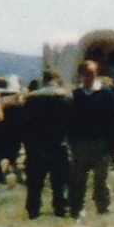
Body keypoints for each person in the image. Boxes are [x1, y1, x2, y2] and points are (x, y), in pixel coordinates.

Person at [68, 60, 114, 219]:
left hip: (101, 144)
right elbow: (70, 121)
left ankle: (103, 209)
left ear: (96, 74)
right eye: (85, 74)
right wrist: (71, 142)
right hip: (80, 144)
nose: (88, 77)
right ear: (80, 75)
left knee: (101, 180)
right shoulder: (76, 95)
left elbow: (113, 119)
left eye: (91, 74)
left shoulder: (105, 94)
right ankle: (76, 210)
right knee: (78, 180)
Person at [22, 71, 72, 219]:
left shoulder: (31, 97)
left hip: (36, 144)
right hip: (58, 143)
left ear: (43, 80)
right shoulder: (64, 96)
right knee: (59, 181)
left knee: (35, 182)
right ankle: (59, 207)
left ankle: (33, 210)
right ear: (57, 80)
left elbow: (24, 123)